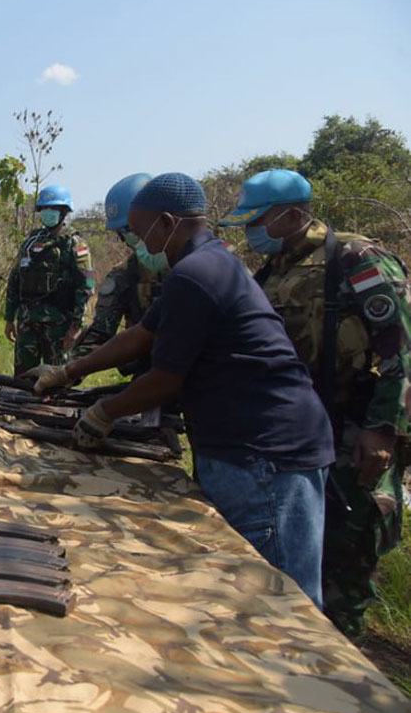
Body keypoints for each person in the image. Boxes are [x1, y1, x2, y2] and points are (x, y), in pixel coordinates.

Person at [30, 172, 334, 606]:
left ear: (167, 222)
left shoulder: (197, 274)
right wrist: (69, 371)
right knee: (246, 592)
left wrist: (104, 412)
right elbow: (140, 336)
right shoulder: (206, 264)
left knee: (278, 602)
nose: (137, 243)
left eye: (138, 232)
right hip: (250, 442)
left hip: (264, 451)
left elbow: (166, 378)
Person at [219, 168, 410, 635]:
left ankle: (346, 672)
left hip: (357, 428)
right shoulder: (275, 270)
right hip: (302, 428)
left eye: (257, 221)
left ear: (291, 214)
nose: (252, 234)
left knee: (348, 551)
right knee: (302, 546)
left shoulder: (353, 257)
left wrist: (382, 429)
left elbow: (400, 347)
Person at [4, 185, 94, 376]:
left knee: (56, 378)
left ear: (63, 212)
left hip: (59, 325)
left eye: (52, 210)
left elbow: (85, 286)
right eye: (44, 209)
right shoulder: (31, 242)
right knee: (23, 378)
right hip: (27, 322)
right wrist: (9, 317)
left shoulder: (75, 244)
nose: (47, 213)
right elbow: (15, 278)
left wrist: (76, 326)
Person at [71, 174, 161, 362]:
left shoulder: (206, 263)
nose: (134, 234)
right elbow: (99, 334)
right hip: (149, 376)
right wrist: (65, 371)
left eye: (137, 227)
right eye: (126, 231)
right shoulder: (123, 275)